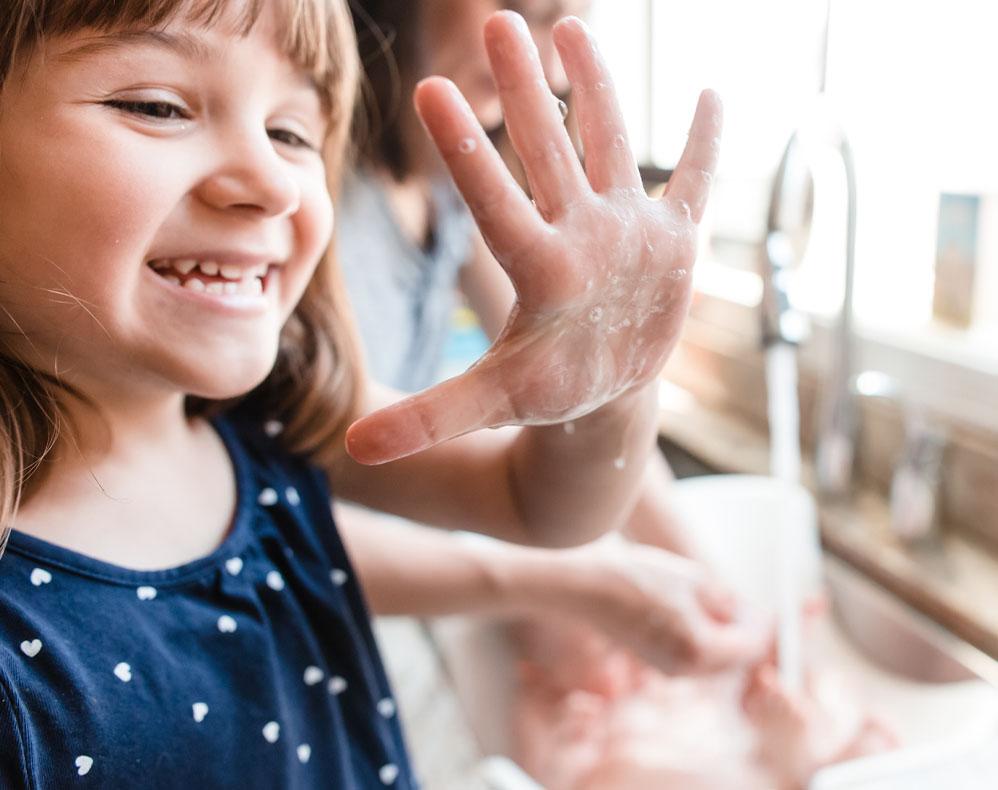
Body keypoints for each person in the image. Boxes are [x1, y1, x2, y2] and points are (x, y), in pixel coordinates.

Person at [0, 1, 725, 787]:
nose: (272, 183)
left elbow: (542, 507)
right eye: (157, 106)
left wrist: (609, 396)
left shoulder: (283, 409)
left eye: (292, 134)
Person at [335, 0, 764, 677]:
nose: (539, 64)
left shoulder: (443, 193)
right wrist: (585, 587)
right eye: (523, 10)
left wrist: (714, 590)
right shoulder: (306, 207)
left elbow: (584, 369)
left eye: (558, 23)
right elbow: (286, 498)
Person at [510, 601, 898, 789]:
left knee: (869, 733)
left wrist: (766, 671)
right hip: (753, 770)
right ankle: (796, 774)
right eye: (610, 651)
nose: (637, 655)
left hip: (750, 756)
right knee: (617, 767)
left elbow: (719, 701)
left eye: (638, 635)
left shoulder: (657, 683)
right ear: (545, 679)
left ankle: (819, 766)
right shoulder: (574, 726)